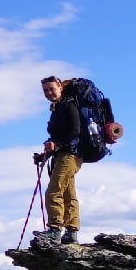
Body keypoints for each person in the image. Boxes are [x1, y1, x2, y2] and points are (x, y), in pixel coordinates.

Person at [32, 75, 81, 244]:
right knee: (68, 193)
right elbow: (60, 136)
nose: (48, 92)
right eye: (45, 90)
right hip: (64, 155)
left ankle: (54, 230)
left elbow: (75, 131)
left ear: (60, 86)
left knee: (53, 191)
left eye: (51, 88)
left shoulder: (69, 105)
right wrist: (45, 153)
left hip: (71, 155)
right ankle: (71, 233)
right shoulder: (56, 109)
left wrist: (57, 145)